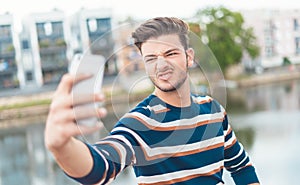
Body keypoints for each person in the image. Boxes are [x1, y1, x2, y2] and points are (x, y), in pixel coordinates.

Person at [44, 17, 260, 185]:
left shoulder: (213, 110)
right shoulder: (139, 124)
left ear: (189, 57)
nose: (161, 65)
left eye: (170, 53)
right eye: (151, 58)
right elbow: (100, 169)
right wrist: (61, 146)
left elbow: (241, 167)